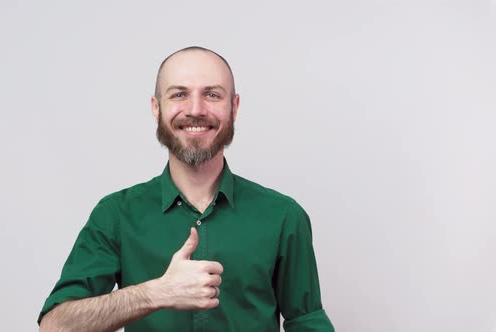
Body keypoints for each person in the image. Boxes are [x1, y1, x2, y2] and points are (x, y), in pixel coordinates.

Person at [38, 46, 334, 332]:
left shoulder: (283, 216)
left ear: (234, 107)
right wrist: (157, 293)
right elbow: (56, 326)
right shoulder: (115, 214)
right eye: (179, 94)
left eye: (212, 94)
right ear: (156, 108)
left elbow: (307, 322)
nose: (195, 110)